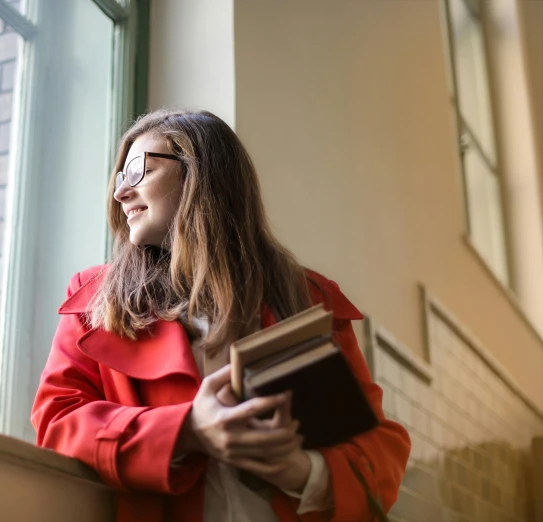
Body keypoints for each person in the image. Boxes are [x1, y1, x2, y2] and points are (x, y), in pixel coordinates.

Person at [31, 109, 410, 522]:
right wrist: (187, 429)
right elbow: (57, 421)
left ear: (201, 171)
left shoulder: (309, 297)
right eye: (120, 176)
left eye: (139, 170)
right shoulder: (95, 299)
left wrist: (303, 473)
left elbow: (377, 445)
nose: (121, 193)